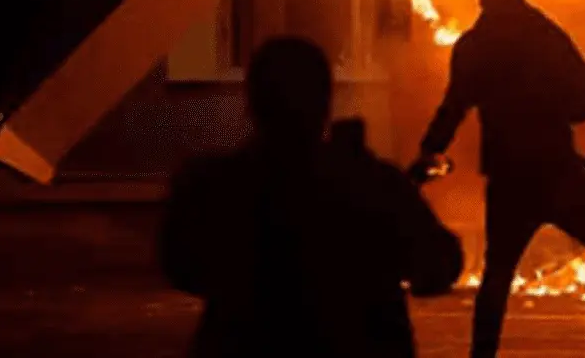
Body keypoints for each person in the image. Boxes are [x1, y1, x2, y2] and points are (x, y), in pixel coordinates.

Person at [161, 37, 462, 358]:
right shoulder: (372, 183)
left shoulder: (214, 185)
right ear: (325, 104)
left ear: (251, 103)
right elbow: (438, 265)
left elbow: (183, 267)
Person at [408, 0, 585, 358]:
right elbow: (582, 104)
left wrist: (431, 149)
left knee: (497, 274)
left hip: (511, 175)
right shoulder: (546, 35)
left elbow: (454, 106)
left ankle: (482, 356)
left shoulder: (477, 45)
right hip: (554, 167)